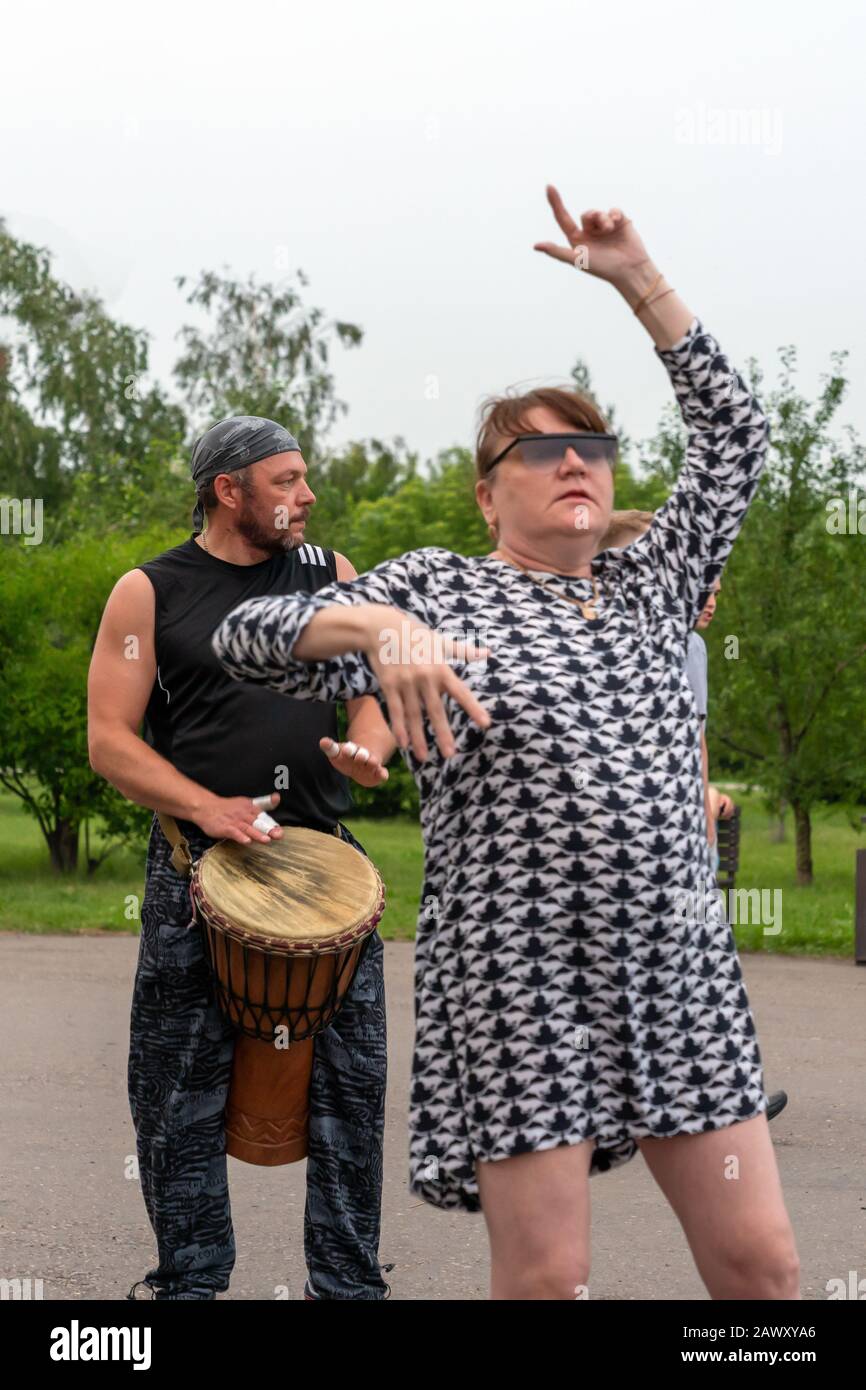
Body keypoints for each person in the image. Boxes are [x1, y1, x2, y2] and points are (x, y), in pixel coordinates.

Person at [211, 188, 800, 1300]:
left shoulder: (651, 581)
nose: (571, 461)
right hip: (516, 978)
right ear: (489, 497)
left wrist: (637, 281)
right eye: (536, 454)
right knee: (546, 1280)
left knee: (762, 1269)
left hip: (675, 970)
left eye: (587, 445)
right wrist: (381, 626)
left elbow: (736, 434)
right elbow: (246, 636)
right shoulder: (444, 587)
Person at [87, 416, 396, 1300]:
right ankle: (189, 1284)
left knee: (354, 1090)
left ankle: (347, 1287)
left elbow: (371, 690)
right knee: (175, 1093)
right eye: (286, 480)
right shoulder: (150, 592)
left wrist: (370, 746)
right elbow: (110, 740)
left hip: (324, 867)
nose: (305, 495)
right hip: (196, 869)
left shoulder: (328, 575)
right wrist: (205, 807)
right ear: (229, 490)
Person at [601, 515, 789, 1124]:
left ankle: (711, 1086)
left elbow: (694, 735)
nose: (711, 594)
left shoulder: (693, 647)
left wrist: (703, 800)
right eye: (697, 578)